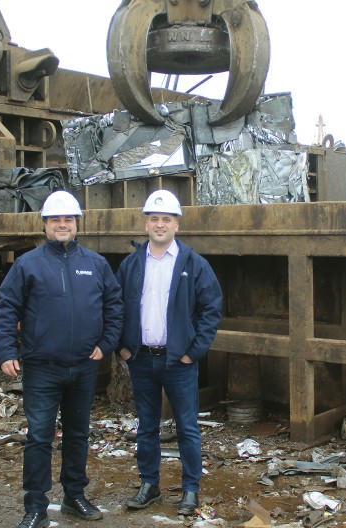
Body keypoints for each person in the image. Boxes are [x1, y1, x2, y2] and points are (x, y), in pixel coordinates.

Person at [0, 190, 123, 528]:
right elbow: (7, 307)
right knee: (39, 436)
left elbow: (114, 306)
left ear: (77, 224)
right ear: (46, 225)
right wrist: (6, 351)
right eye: (56, 220)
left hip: (83, 366)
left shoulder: (95, 264)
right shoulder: (28, 264)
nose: (62, 225)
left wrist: (107, 342)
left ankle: (74, 496)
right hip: (42, 368)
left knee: (78, 433)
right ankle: (35, 506)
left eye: (68, 219)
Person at [116, 189, 223, 516]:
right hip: (142, 359)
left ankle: (190, 490)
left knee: (187, 427)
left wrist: (194, 351)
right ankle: (149, 485)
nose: (159, 224)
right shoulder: (132, 264)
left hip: (179, 361)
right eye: (153, 219)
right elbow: (116, 307)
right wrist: (122, 346)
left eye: (166, 219)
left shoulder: (194, 264)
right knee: (146, 425)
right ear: (146, 224)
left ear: (177, 224)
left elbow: (211, 308)